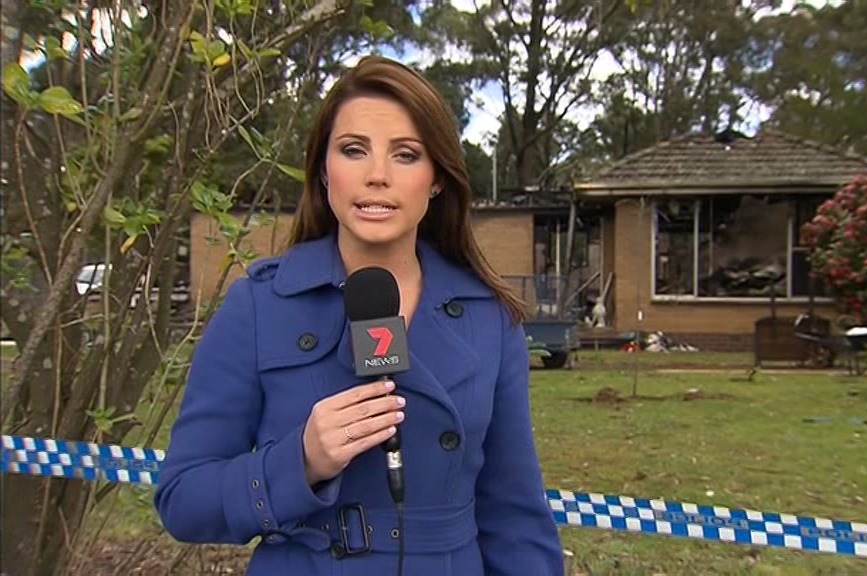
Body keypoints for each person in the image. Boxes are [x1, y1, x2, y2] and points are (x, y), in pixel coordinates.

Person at [154, 55, 565, 575]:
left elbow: (516, 517)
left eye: (406, 155)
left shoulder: (490, 319)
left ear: (437, 178)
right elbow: (184, 499)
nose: (377, 176)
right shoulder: (258, 307)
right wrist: (301, 463)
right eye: (353, 150)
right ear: (324, 171)